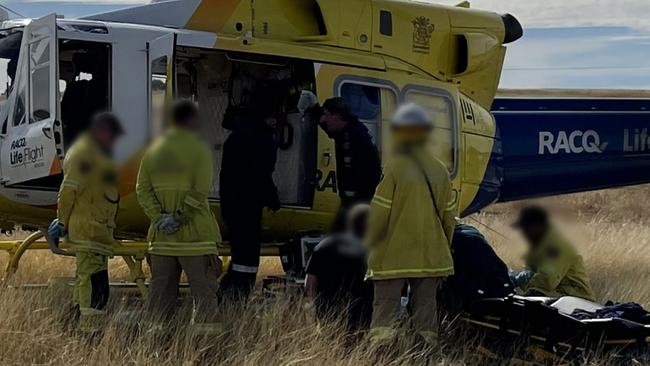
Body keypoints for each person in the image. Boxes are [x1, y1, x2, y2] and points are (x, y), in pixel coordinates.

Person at [364, 103, 457, 347]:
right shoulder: (441, 171)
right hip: (430, 255)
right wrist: (443, 247)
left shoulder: (395, 167)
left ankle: (382, 352)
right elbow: (449, 217)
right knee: (426, 311)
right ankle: (425, 354)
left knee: (385, 310)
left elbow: (379, 212)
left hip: (393, 255)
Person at [136, 100, 223, 333]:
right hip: (196, 240)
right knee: (204, 298)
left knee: (159, 301)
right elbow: (200, 190)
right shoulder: (199, 150)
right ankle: (206, 350)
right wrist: (180, 217)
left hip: (162, 241)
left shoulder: (152, 152)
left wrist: (159, 218)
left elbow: (142, 190)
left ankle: (156, 348)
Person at [48, 112, 123, 333]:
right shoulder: (83, 154)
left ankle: (85, 323)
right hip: (89, 231)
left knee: (97, 281)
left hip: (99, 232)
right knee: (90, 280)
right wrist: (62, 222)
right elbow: (69, 190)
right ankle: (87, 330)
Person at [218, 92, 281, 300]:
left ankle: (231, 291)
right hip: (248, 206)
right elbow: (260, 173)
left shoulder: (235, 137)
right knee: (246, 257)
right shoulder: (262, 138)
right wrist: (272, 199)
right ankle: (237, 295)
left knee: (239, 253)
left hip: (231, 204)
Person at [298, 92, 381, 230]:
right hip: (349, 201)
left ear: (337, 116)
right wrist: (313, 108)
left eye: (327, 115)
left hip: (358, 202)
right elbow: (327, 127)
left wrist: (358, 197)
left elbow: (372, 171)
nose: (325, 119)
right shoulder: (344, 131)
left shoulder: (355, 137)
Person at [304, 204, 374, 332]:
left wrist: (312, 320)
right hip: (363, 321)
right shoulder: (373, 250)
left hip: (328, 318)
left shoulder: (323, 246)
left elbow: (310, 287)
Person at [510, 206, 595, 301]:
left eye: (527, 228)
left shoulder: (557, 247)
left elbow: (547, 280)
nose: (524, 233)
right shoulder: (539, 249)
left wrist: (519, 279)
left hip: (577, 302)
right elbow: (533, 274)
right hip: (562, 299)